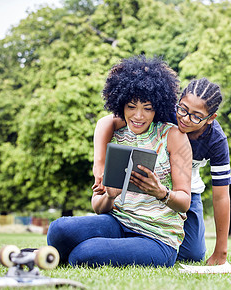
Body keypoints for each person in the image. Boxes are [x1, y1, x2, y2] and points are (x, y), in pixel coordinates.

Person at [47, 56, 192, 268]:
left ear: (158, 107)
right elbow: (98, 207)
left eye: (148, 108)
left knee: (85, 254)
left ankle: (61, 257)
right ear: (121, 104)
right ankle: (60, 255)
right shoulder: (116, 135)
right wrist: (109, 195)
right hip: (118, 222)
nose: (139, 116)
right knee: (58, 229)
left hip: (157, 238)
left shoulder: (173, 136)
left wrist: (161, 192)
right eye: (131, 106)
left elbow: (185, 202)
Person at [93, 78, 231, 265]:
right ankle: (130, 240)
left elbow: (221, 197)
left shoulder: (216, 141)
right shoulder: (164, 113)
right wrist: (99, 165)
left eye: (196, 116)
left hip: (187, 190)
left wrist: (220, 252)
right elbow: (105, 123)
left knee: (192, 254)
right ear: (178, 101)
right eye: (183, 109)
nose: (184, 118)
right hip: (154, 183)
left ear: (210, 118)